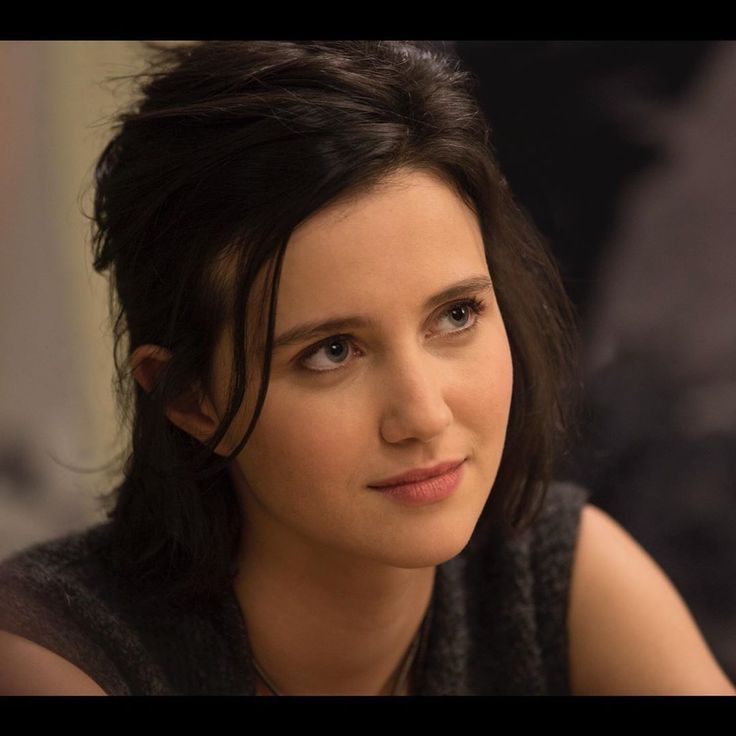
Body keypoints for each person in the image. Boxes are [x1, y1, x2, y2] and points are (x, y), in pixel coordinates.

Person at [0, 40, 733, 696]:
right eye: (332, 352)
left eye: (455, 316)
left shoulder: (562, 581)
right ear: (192, 398)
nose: (423, 414)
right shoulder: (51, 656)